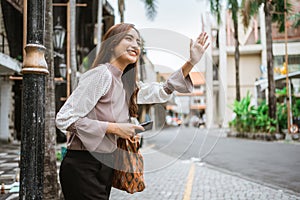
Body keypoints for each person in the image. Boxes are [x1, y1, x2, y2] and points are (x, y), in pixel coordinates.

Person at [55, 23, 209, 200]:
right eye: (128, 38)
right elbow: (64, 118)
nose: (135, 45)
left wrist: (191, 62)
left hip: (104, 167)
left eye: (138, 42)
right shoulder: (101, 75)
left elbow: (162, 90)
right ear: (112, 44)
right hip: (83, 166)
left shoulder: (124, 84)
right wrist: (115, 128)